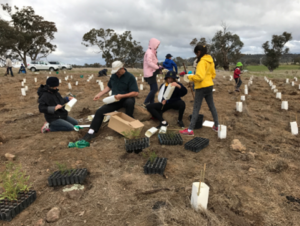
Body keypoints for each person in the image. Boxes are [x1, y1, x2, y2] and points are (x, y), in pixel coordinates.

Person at [81, 61, 139, 142]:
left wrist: (122, 96)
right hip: (115, 99)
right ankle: (91, 132)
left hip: (126, 98)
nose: (117, 74)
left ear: (122, 68)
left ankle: (127, 126)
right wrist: (99, 94)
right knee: (100, 111)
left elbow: (135, 93)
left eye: (118, 72)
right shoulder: (114, 76)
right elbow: (109, 87)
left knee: (130, 103)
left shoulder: (130, 77)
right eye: (115, 72)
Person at [180, 45, 219, 136]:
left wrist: (190, 77)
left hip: (201, 87)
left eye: (196, 53)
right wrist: (208, 79)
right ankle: (216, 126)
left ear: (199, 52)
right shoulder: (210, 61)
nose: (196, 55)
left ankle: (190, 130)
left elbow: (200, 77)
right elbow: (213, 75)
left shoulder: (201, 62)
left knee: (196, 108)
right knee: (212, 106)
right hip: (209, 85)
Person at [142, 38, 161, 107]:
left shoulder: (152, 52)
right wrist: (157, 67)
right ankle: (146, 102)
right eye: (157, 45)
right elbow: (149, 62)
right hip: (150, 73)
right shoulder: (149, 52)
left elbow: (153, 62)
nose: (157, 46)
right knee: (155, 89)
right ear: (153, 44)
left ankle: (151, 103)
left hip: (151, 72)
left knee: (152, 89)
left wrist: (159, 66)